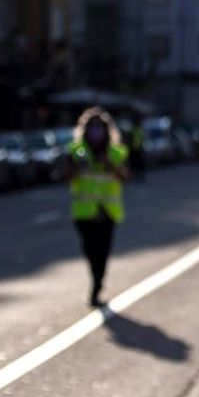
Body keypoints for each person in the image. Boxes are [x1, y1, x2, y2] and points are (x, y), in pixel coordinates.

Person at [67, 107, 129, 307]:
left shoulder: (116, 152)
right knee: (89, 249)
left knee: (102, 252)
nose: (96, 132)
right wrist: (76, 168)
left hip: (107, 211)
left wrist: (109, 164)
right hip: (84, 211)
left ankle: (96, 285)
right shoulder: (77, 151)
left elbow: (125, 176)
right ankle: (96, 279)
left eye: (99, 128)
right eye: (92, 128)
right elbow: (65, 175)